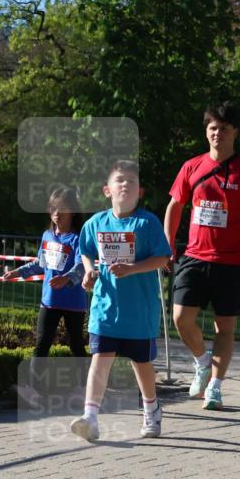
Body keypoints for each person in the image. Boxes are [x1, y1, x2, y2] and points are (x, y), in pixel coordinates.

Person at [164, 101, 240, 410]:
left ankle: (215, 386)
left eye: (224, 129)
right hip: (195, 257)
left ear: (235, 132)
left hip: (232, 261)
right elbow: (174, 207)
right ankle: (202, 361)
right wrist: (167, 244)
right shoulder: (192, 166)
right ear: (206, 131)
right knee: (181, 318)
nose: (217, 134)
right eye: (212, 128)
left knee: (225, 327)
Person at [69, 160, 172, 441]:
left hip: (139, 311)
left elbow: (163, 258)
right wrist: (89, 271)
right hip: (105, 308)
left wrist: (132, 268)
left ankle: (151, 410)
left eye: (132, 181)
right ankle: (90, 417)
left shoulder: (147, 222)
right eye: (120, 180)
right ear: (107, 190)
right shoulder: (95, 223)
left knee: (141, 363)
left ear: (140, 192)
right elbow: (86, 251)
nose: (125, 184)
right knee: (100, 360)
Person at [4, 188, 88, 404]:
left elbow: (81, 265)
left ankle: (85, 389)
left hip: (73, 303)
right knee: (41, 344)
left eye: (62, 209)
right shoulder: (47, 236)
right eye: (53, 208)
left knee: (76, 346)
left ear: (73, 211)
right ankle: (33, 390)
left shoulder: (78, 238)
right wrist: (18, 272)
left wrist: (67, 278)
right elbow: (40, 263)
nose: (57, 213)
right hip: (49, 301)